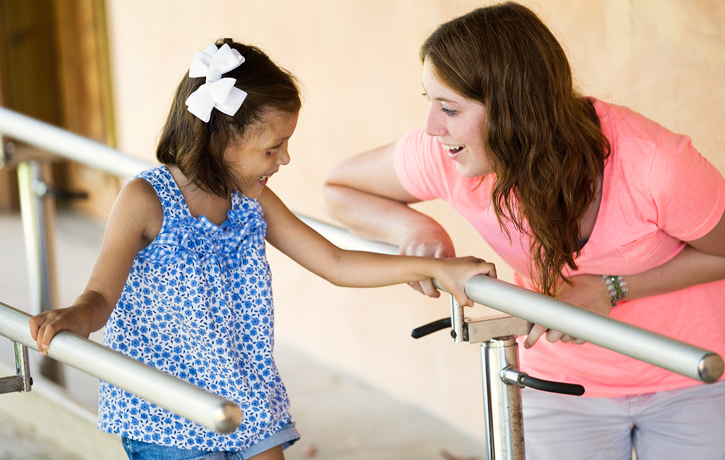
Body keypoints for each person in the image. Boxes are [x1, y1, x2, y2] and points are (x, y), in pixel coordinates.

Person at [322, 3, 725, 459]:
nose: (432, 127)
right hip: (561, 383)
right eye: (429, 103)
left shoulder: (655, 165)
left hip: (694, 376)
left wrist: (612, 288)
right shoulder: (449, 155)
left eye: (449, 108)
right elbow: (340, 188)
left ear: (515, 109)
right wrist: (415, 227)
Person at [28, 39, 497, 460]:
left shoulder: (252, 200)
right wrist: (73, 317)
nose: (285, 159)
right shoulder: (145, 200)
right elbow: (100, 297)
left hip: (246, 398)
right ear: (221, 140)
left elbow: (334, 261)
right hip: (166, 415)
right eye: (273, 148)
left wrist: (442, 270)